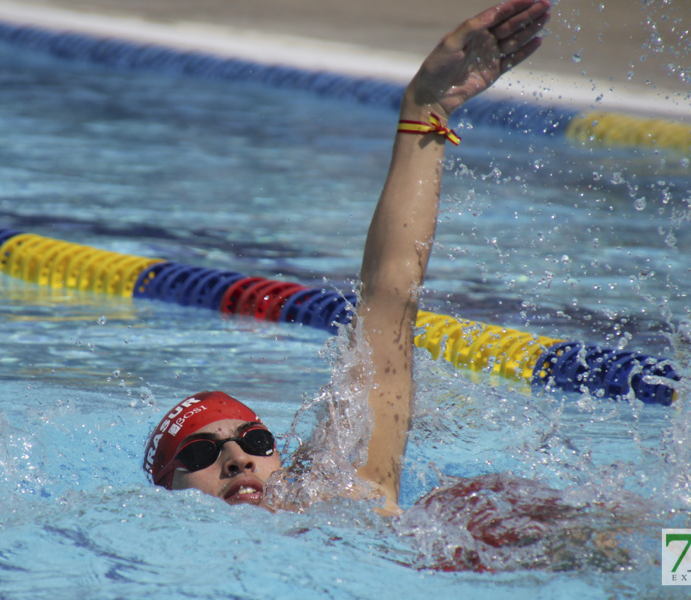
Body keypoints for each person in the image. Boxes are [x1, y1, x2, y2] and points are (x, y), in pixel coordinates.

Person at [144, 0, 553, 515]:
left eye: (256, 442)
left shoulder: (339, 491)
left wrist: (426, 109)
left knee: (679, 563)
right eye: (200, 452)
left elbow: (388, 299)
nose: (238, 459)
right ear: (167, 490)